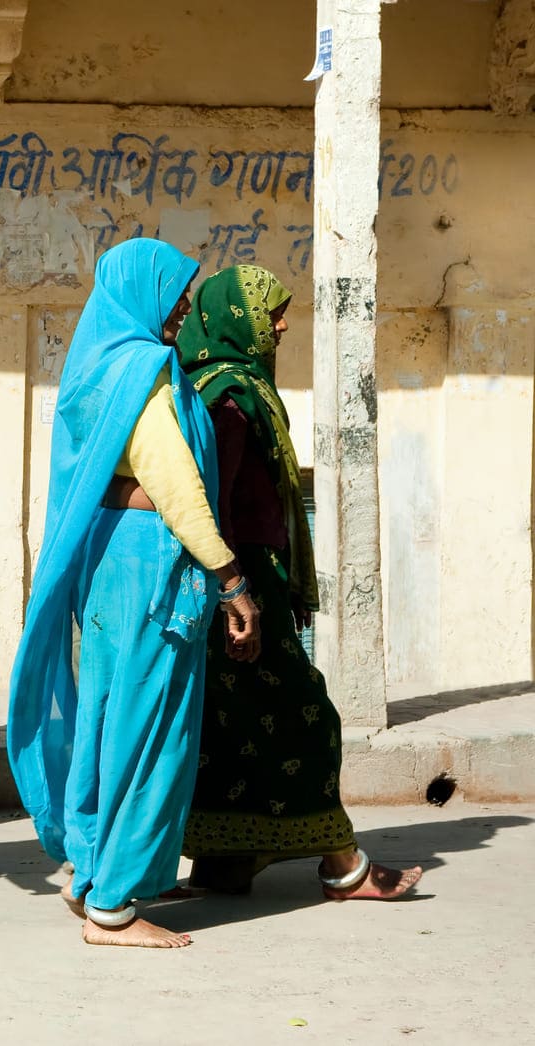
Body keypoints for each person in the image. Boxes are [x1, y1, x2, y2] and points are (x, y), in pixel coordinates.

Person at [7, 238, 262, 949]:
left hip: (110, 557)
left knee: (108, 717)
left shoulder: (94, 366)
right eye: (176, 290)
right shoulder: (146, 370)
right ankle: (115, 905)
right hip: (153, 562)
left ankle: (91, 872)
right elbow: (177, 485)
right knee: (153, 731)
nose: (185, 304)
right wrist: (231, 577)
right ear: (146, 291)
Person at [175, 264, 423, 901]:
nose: (283, 324)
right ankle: (344, 868)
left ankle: (224, 863)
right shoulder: (228, 399)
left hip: (237, 580)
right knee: (306, 717)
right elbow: (216, 504)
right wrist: (239, 595)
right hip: (237, 583)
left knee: (229, 727)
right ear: (238, 319)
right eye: (271, 312)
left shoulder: (232, 386)